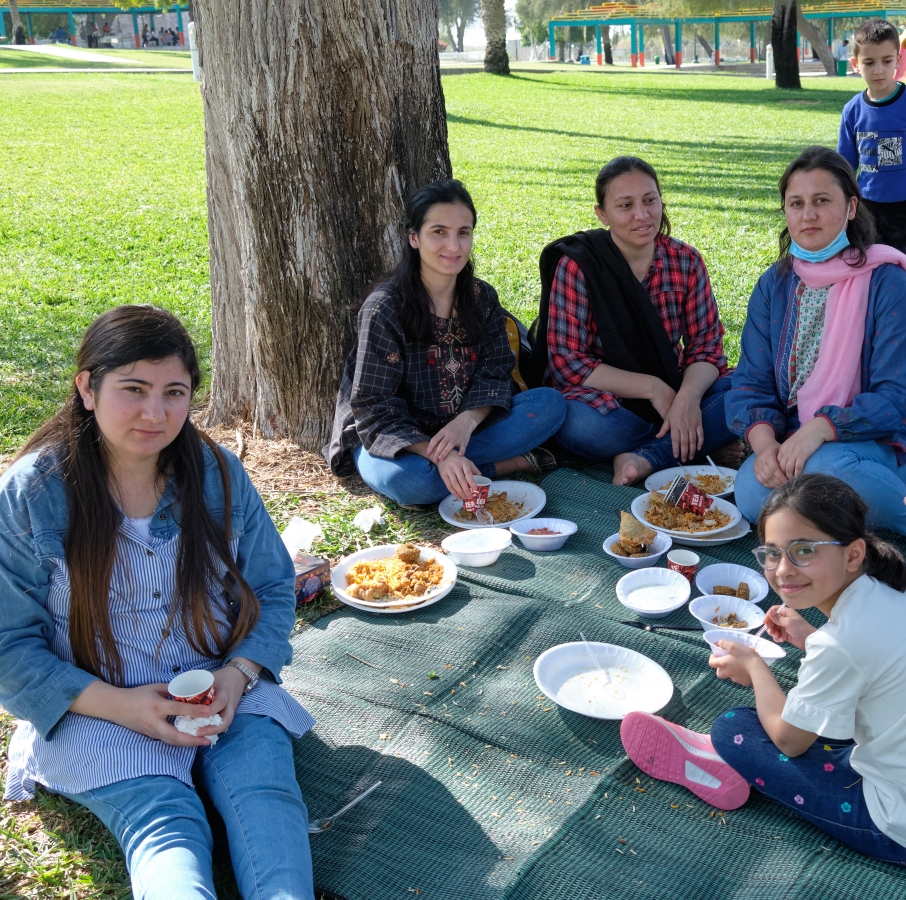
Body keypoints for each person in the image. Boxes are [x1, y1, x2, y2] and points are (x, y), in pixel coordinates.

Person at [0, 306, 316, 899]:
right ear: (87, 388)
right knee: (165, 821)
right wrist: (125, 708)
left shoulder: (217, 473)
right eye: (133, 390)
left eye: (175, 392)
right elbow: (8, 648)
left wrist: (239, 673)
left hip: (223, 691)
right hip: (96, 705)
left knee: (266, 797)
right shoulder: (31, 494)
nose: (156, 412)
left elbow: (273, 587)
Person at [618, 474, 906, 868]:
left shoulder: (839, 643)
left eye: (804, 551)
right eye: (772, 552)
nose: (782, 570)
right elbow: (866, 662)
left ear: (853, 554)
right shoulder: (892, 599)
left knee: (734, 729)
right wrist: (812, 636)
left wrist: (755, 668)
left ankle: (718, 758)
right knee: (831, 722)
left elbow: (791, 742)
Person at [727, 147, 906, 578]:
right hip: (793, 443)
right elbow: (750, 380)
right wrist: (766, 446)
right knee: (750, 493)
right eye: (796, 203)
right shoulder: (775, 283)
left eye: (822, 200)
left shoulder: (886, 279)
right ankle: (826, 523)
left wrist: (818, 431)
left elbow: (894, 400)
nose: (809, 215)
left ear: (851, 207)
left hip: (881, 442)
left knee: (827, 471)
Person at [325, 179, 566, 506]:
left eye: (463, 232)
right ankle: (499, 466)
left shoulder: (482, 298)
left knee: (550, 405)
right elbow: (373, 406)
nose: (453, 246)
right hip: (393, 438)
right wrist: (437, 454)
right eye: (439, 232)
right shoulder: (385, 308)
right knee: (409, 482)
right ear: (414, 238)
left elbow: (495, 372)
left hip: (464, 428)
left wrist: (465, 423)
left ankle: (461, 469)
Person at [528, 156, 735, 486]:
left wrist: (688, 400)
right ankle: (691, 438)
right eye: (625, 205)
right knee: (579, 425)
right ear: (602, 213)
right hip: (605, 403)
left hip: (676, 389)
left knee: (745, 389)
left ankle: (650, 455)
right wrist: (653, 389)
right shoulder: (580, 265)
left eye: (650, 200)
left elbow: (707, 348)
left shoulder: (686, 261)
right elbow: (567, 362)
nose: (642, 215)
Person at [836, 19, 906, 287]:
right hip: (867, 209)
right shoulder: (852, 110)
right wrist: (841, 205)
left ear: (899, 60)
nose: (879, 70)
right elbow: (844, 166)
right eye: (869, 63)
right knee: (870, 273)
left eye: (887, 61)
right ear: (856, 64)